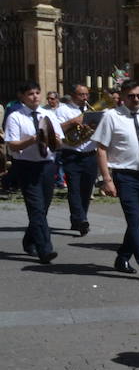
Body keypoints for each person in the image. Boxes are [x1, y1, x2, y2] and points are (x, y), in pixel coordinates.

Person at [94, 79, 139, 281]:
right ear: (123, 97)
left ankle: (123, 256)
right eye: (132, 96)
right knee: (134, 220)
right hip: (125, 176)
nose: (136, 99)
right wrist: (106, 179)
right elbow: (101, 149)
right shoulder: (112, 116)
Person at [3, 81, 60, 263]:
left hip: (47, 165)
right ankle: (45, 249)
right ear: (22, 96)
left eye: (37, 92)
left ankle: (29, 240)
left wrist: (55, 140)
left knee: (43, 208)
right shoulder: (16, 117)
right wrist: (33, 140)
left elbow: (60, 142)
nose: (35, 96)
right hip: (27, 166)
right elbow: (12, 144)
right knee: (35, 208)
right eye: (30, 94)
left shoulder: (48, 114)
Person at [53, 83, 99, 236]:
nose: (85, 97)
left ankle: (78, 219)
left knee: (86, 189)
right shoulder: (62, 109)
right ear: (73, 95)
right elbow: (56, 129)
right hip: (71, 154)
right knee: (74, 188)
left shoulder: (91, 109)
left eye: (87, 94)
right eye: (81, 94)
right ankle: (81, 219)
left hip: (90, 154)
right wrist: (73, 122)